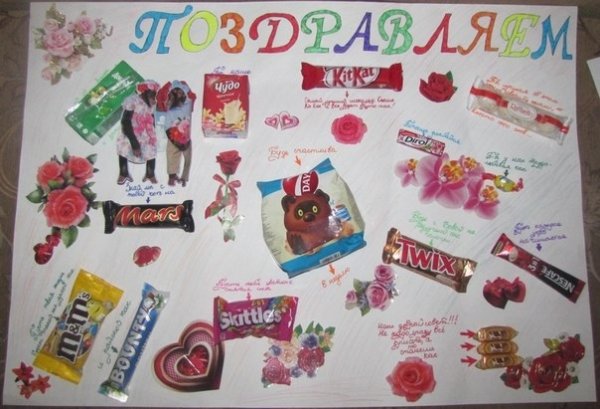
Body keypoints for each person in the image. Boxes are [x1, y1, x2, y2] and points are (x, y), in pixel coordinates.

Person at [116, 80, 160, 185]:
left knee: (151, 150)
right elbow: (125, 121)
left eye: (154, 94)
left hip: (146, 132)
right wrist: (134, 142)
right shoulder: (133, 100)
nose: (153, 97)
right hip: (131, 130)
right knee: (123, 148)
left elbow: (151, 118)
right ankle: (123, 173)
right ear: (145, 92)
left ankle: (150, 174)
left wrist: (152, 133)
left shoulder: (152, 103)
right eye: (151, 94)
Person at [156, 80, 196, 187]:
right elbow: (167, 127)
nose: (178, 94)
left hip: (186, 137)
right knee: (172, 157)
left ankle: (184, 178)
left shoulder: (188, 104)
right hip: (173, 137)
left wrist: (181, 86)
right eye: (175, 93)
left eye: (180, 92)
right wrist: (173, 140)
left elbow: (192, 96)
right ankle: (172, 178)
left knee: (188, 158)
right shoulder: (169, 109)